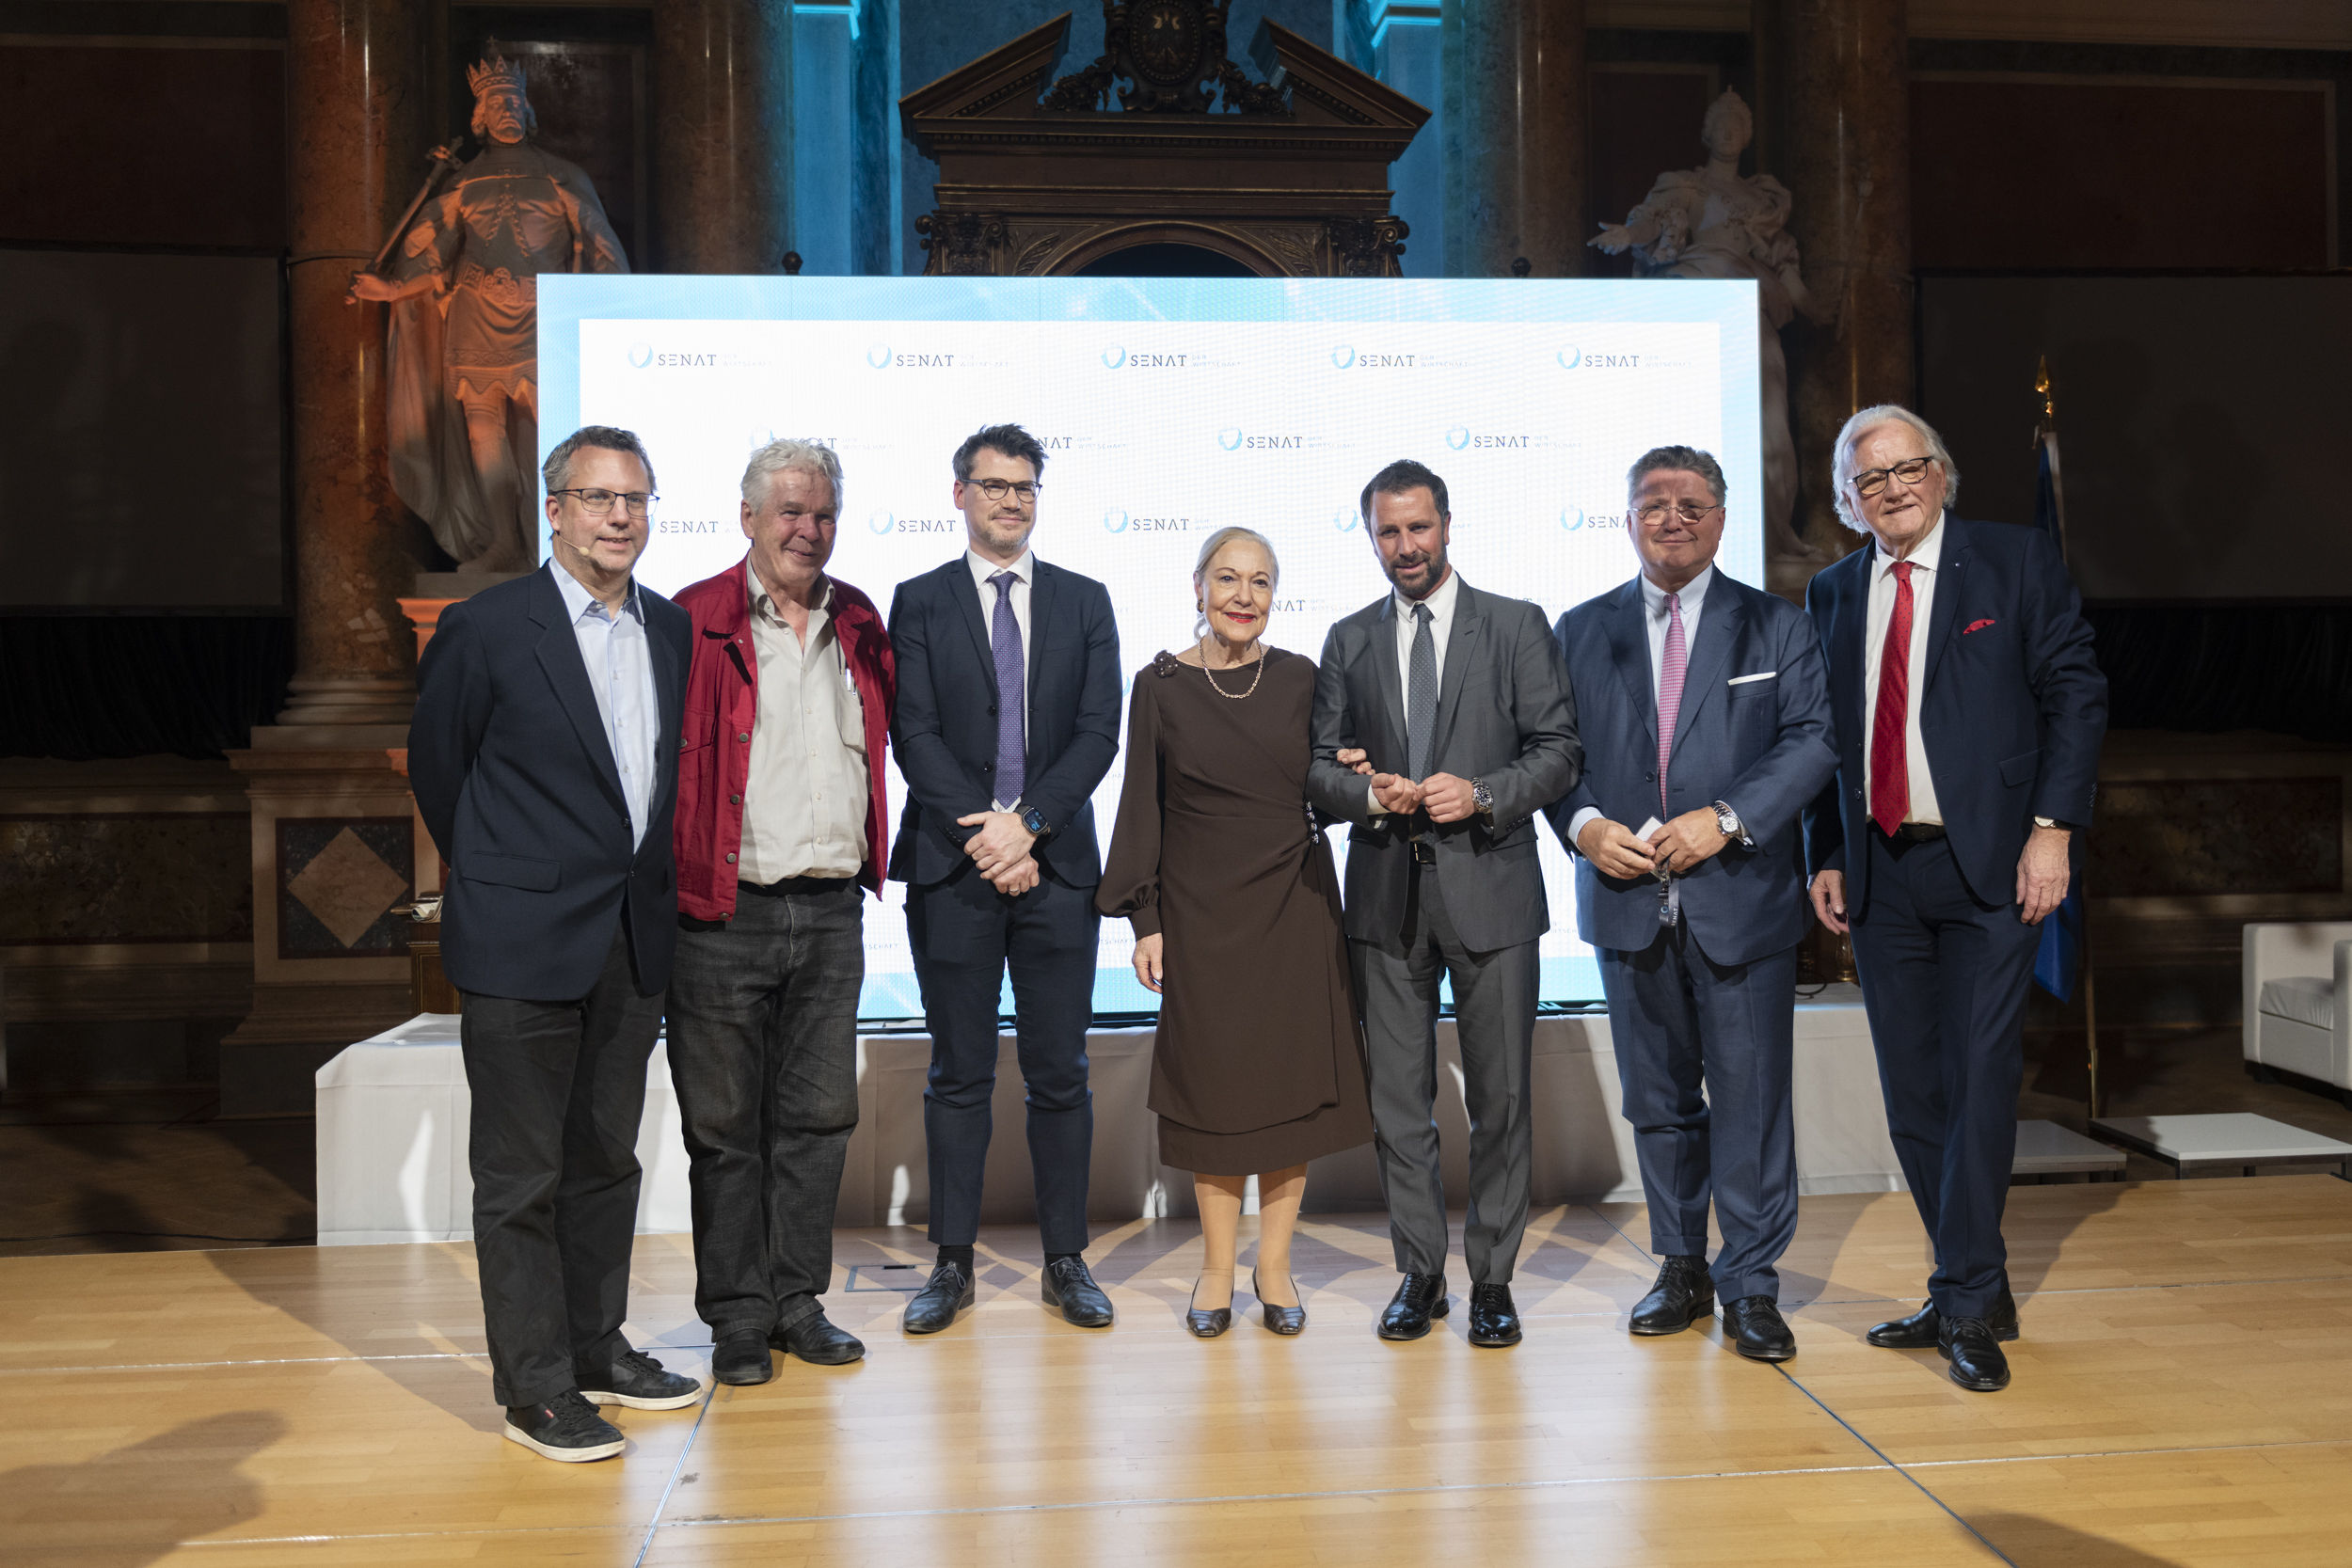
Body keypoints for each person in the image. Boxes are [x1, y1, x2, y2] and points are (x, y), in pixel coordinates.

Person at [407, 425, 698, 1462]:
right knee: (521, 1176)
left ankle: (593, 1344)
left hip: (630, 938)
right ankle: (535, 1389)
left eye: (636, 498)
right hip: (520, 940)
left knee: (605, 1161)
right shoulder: (487, 627)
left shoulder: (670, 628)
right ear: (555, 510)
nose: (621, 516)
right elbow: (440, 769)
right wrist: (505, 879)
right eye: (599, 497)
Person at [1804, 405, 2106, 1393]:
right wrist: (1826, 850)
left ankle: (1966, 1302)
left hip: (1993, 865)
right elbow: (1827, 737)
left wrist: (2053, 829)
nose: (1892, 488)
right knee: (1915, 1094)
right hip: (1882, 872)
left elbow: (2076, 694)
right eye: (1870, 478)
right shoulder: (1833, 590)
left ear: (1941, 473)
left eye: (1908, 468)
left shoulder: (2012, 562)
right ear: (1848, 500)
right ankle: (1973, 1281)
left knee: (1977, 1080)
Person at [1545, 446, 1836, 1362]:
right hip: (1627, 900)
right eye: (1653, 503)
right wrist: (1585, 824)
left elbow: (1813, 740)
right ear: (1627, 517)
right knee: (1658, 1100)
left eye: (1691, 503)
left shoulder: (1776, 625)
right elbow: (1552, 752)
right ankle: (1680, 1266)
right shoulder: (1579, 628)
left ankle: (1750, 1281)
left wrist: (1727, 819)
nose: (1672, 517)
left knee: (1750, 1102)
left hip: (1740, 900)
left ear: (1720, 517)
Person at [1308, 459, 1581, 1347]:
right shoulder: (1348, 639)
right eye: (1388, 531)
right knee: (1398, 1104)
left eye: (1418, 527)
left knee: (1502, 1101)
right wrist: (1366, 792)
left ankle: (1492, 1280)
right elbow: (1318, 771)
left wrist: (1485, 793)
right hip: (1385, 899)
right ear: (1371, 538)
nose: (1405, 546)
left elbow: (1559, 750)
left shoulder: (1516, 624)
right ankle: (1420, 1272)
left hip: (1493, 891)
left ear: (1448, 525)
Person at [1097, 529, 1375, 1338]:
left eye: (1259, 581)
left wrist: (1354, 776)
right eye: (1227, 578)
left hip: (1295, 907)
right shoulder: (1158, 684)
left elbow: (1323, 786)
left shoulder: (1301, 677)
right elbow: (1141, 805)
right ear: (1199, 587)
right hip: (1200, 917)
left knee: (1290, 1094)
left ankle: (1275, 1266)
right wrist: (1145, 920)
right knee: (1215, 1097)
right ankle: (1217, 1268)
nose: (1243, 596)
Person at [666, 439, 897, 1386]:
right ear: (749, 517)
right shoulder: (692, 618)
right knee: (724, 1127)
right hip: (726, 913)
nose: (809, 529)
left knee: (819, 1117)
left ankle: (796, 1298)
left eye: (824, 513)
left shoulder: (859, 621)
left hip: (832, 908)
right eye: (791, 511)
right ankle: (736, 1313)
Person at [886, 423, 1123, 1332]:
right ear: (960, 494)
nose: (1010, 501)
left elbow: (1098, 732)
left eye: (1024, 486)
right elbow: (913, 734)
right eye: (993, 485)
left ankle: (1066, 1259)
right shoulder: (919, 601)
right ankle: (952, 1262)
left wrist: (1028, 826)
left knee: (1061, 1070)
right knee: (959, 1072)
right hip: (954, 869)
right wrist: (990, 835)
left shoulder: (1086, 599)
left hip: (1057, 869)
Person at [350, 56, 629, 572]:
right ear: (479, 116)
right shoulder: (464, 181)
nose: (508, 110)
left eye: (515, 101)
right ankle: (502, 542)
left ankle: (556, 543)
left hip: (544, 319)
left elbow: (602, 245)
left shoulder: (561, 175)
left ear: (528, 111)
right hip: (474, 314)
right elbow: (433, 257)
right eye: (497, 102)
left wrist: (614, 306)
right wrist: (392, 289)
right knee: (483, 431)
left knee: (553, 435)